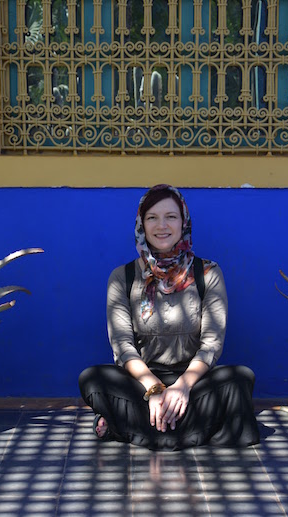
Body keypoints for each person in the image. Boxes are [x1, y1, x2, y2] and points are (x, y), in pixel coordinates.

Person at [78, 184, 260, 450]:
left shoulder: (207, 273)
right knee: (91, 379)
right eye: (152, 217)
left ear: (183, 222)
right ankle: (190, 429)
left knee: (241, 378)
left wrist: (183, 386)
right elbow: (123, 348)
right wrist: (155, 390)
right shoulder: (123, 277)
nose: (161, 225)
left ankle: (130, 427)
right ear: (141, 223)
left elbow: (211, 344)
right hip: (141, 383)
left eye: (170, 217)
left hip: (194, 381)